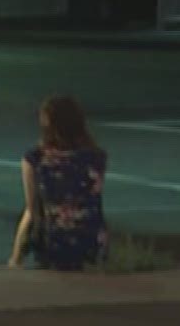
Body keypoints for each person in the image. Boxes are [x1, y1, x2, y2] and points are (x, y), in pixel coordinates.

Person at [7, 95, 109, 271]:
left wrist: (16, 257)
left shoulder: (36, 159)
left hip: (56, 243)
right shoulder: (97, 157)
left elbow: (33, 213)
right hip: (92, 239)